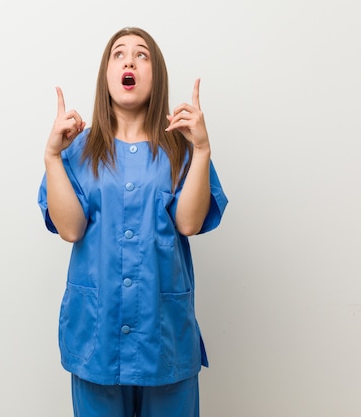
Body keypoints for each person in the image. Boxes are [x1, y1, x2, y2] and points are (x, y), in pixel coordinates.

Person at [38, 26, 228, 417]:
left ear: (156, 75)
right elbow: (70, 229)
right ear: (106, 75)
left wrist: (203, 148)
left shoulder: (181, 148)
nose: (129, 60)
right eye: (118, 54)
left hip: (163, 337)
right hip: (97, 337)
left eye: (142, 55)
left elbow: (189, 223)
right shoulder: (78, 150)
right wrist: (53, 158)